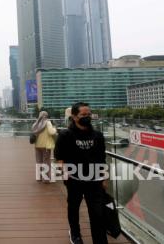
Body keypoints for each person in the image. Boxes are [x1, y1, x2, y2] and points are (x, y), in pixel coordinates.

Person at [54, 102, 108, 244]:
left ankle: (100, 239)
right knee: (74, 208)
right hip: (74, 179)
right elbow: (59, 157)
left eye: (89, 114)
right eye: (83, 115)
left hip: (95, 179)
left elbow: (102, 158)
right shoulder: (65, 135)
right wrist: (65, 172)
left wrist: (104, 177)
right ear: (74, 116)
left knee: (97, 212)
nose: (87, 117)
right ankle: (75, 234)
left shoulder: (98, 135)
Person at [32, 111, 57, 183]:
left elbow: (33, 131)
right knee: (46, 161)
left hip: (37, 145)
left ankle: (38, 177)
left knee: (38, 161)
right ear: (46, 116)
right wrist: (55, 128)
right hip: (45, 145)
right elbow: (51, 132)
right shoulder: (47, 122)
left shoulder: (36, 123)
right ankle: (46, 179)